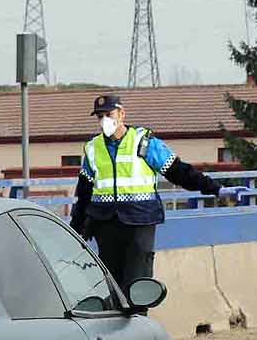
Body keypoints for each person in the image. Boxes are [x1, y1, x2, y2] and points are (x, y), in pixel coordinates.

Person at [68, 93, 246, 288]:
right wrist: (74, 230)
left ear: (121, 114)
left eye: (109, 114)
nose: (104, 120)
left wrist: (217, 190)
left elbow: (179, 172)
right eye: (100, 117)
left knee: (138, 284)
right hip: (105, 224)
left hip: (139, 219)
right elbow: (84, 194)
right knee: (112, 287)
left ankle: (138, 318)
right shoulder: (93, 148)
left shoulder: (143, 142)